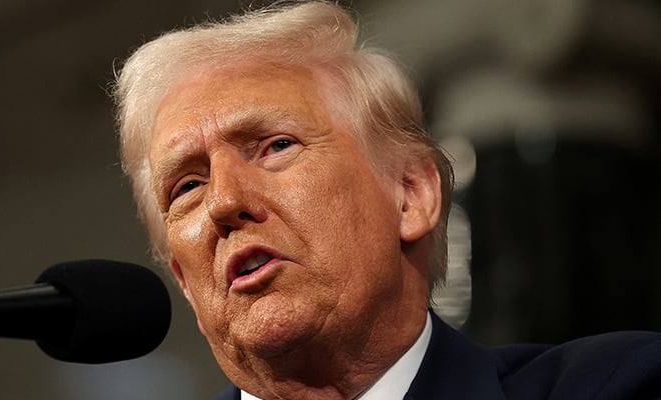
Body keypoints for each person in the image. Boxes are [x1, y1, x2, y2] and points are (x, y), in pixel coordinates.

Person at [112, 1, 661, 399]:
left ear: (412, 196)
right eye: (187, 186)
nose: (224, 201)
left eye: (276, 146)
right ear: (184, 279)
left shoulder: (624, 382)